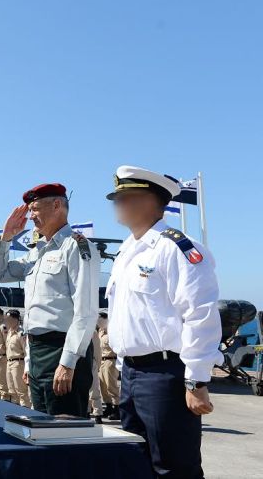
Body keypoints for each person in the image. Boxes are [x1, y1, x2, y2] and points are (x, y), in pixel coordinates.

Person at [106, 165, 222, 478]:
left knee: (173, 467)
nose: (116, 203)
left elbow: (201, 313)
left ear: (148, 201)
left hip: (165, 374)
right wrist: (121, 368)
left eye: (123, 197)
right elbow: (127, 317)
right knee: (136, 461)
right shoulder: (127, 252)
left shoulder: (175, 248)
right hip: (132, 373)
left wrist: (197, 379)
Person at [0, 183, 99, 416]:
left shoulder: (76, 246)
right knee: (41, 431)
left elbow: (86, 310)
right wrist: (6, 238)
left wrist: (68, 363)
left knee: (66, 433)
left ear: (57, 205)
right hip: (38, 353)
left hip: (63, 350)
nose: (30, 217)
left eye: (35, 209)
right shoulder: (36, 252)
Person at [4, 310, 30, 407]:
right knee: (12, 390)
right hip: (9, 363)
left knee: (21, 391)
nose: (7, 322)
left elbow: (26, 351)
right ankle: (16, 411)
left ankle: (25, 411)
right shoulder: (10, 332)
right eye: (6, 320)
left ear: (16, 320)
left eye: (10, 319)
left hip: (18, 363)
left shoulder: (21, 333)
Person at [98, 312, 120, 420]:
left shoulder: (112, 331)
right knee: (103, 387)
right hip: (101, 361)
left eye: (100, 320)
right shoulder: (100, 332)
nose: (98, 323)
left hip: (110, 360)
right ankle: (108, 407)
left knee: (111, 386)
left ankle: (117, 408)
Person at [87, 327, 103, 423]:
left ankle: (97, 414)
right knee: (83, 390)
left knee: (94, 390)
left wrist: (97, 364)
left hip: (90, 361)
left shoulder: (93, 332)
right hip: (78, 362)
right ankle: (86, 412)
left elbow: (97, 350)